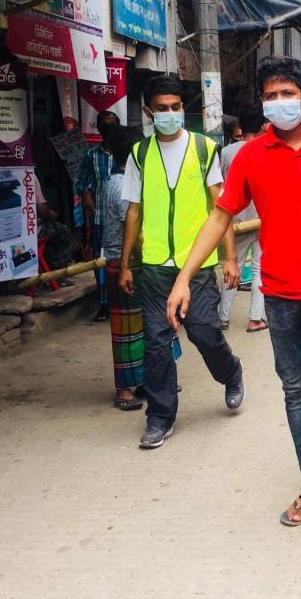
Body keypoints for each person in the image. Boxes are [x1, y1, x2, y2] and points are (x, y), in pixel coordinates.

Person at [167, 56, 301, 528]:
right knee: (297, 390)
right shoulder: (251, 157)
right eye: (270, 95)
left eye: (287, 94)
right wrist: (184, 276)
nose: (278, 103)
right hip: (278, 293)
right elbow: (220, 217)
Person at [119, 74, 244, 449]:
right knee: (156, 344)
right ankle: (159, 416)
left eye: (176, 108)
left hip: (199, 266)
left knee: (205, 332)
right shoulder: (139, 154)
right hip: (155, 267)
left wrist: (230, 257)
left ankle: (232, 372)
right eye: (162, 109)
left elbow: (221, 208)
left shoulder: (206, 149)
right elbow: (133, 212)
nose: (170, 114)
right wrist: (126, 263)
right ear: (148, 112)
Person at [100, 127, 145, 411]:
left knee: (144, 327)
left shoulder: (125, 181)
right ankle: (124, 389)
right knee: (126, 330)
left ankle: (142, 380)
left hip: (134, 262)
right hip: (123, 262)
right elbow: (133, 225)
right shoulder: (119, 186)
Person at [219, 106, 267, 333]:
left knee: (232, 267)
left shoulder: (227, 152)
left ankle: (223, 318)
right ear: (261, 127)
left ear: (240, 127)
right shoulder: (266, 149)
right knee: (259, 269)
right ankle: (255, 318)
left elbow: (222, 185)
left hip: (235, 219)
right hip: (262, 218)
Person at [78, 111, 118, 321]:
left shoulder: (128, 153)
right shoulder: (92, 155)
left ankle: (124, 299)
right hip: (100, 217)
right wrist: (86, 197)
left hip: (123, 217)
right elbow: (81, 182)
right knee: (100, 262)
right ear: (99, 129)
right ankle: (104, 303)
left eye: (112, 126)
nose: (108, 129)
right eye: (104, 126)